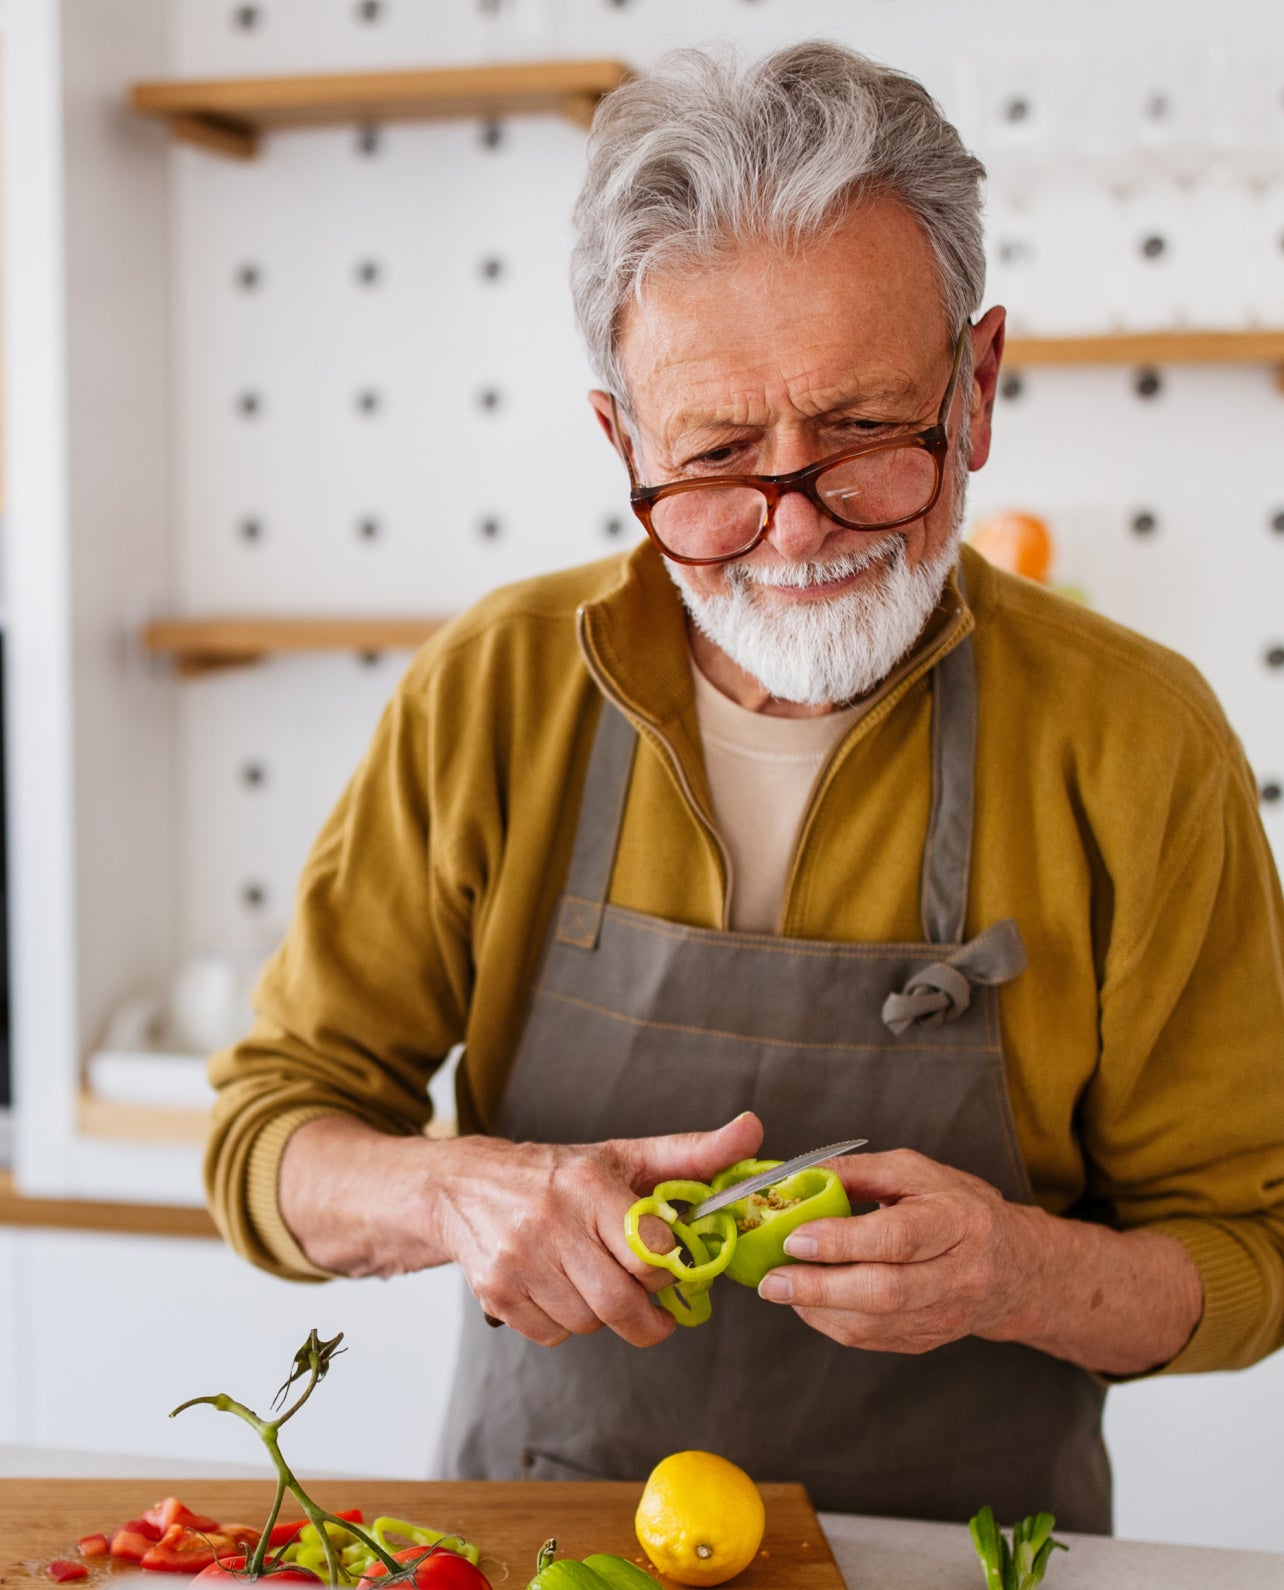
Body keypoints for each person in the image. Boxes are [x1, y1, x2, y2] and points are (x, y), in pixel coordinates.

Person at [206, 42, 1284, 1531]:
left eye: (862, 435)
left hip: (969, 1556)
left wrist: (1029, 1272)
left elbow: (1252, 1247)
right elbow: (268, 1134)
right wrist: (462, 1191)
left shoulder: (1141, 740)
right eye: (716, 455)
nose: (796, 531)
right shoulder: (497, 686)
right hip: (546, 1540)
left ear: (975, 389)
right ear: (621, 440)